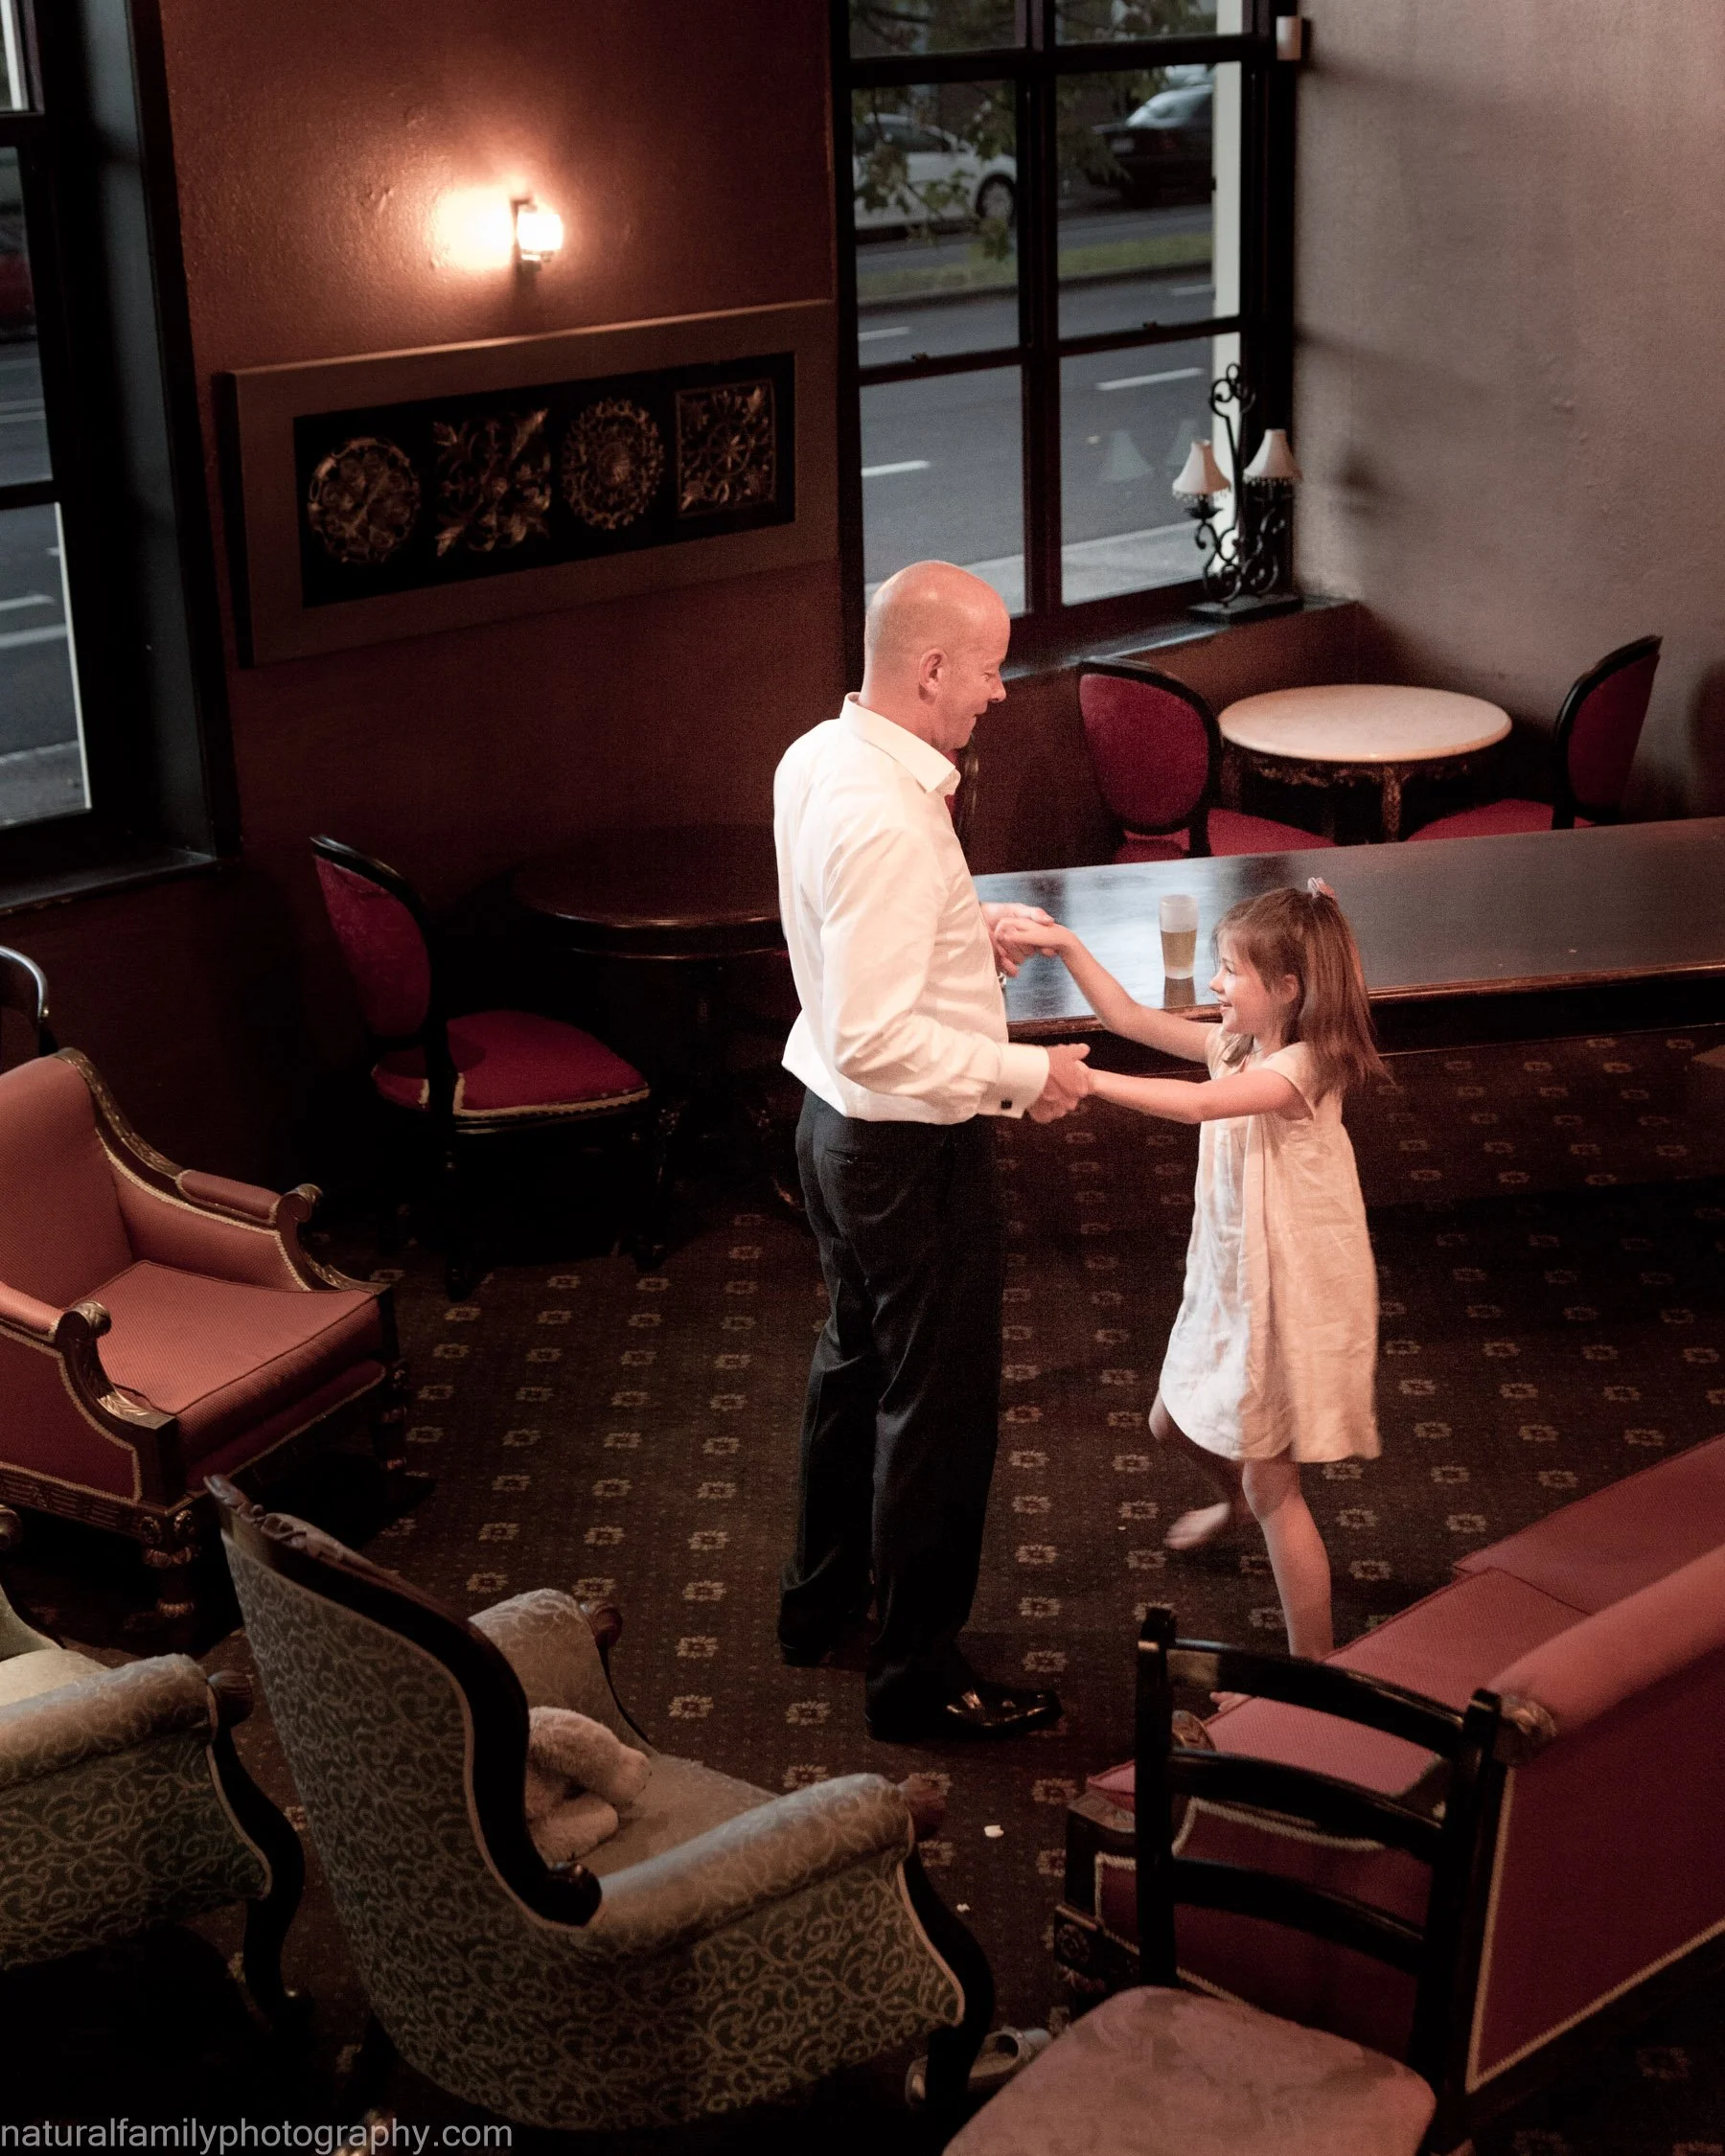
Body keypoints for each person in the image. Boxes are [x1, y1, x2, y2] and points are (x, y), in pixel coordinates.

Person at [774, 560, 1095, 1742]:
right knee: (939, 1413)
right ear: (930, 669)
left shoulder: (820, 755)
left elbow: (851, 950)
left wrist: (965, 933)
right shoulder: (889, 820)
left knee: (855, 1368)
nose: (1002, 692)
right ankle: (918, 1680)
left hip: (830, 1129)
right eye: (991, 669)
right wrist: (1028, 1077)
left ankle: (819, 1608)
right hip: (905, 1150)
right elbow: (878, 1034)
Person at [999, 880, 1385, 1659]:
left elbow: (1200, 1107)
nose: (1213, 984)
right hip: (1232, 1277)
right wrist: (1067, 945)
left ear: (1287, 989)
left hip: (1288, 1294)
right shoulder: (1238, 1045)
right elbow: (1127, 1018)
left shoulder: (1304, 1067)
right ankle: (1240, 1505)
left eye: (1230, 971)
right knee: (1170, 1422)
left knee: (1274, 1486)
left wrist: (1083, 1080)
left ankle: (1315, 1673)